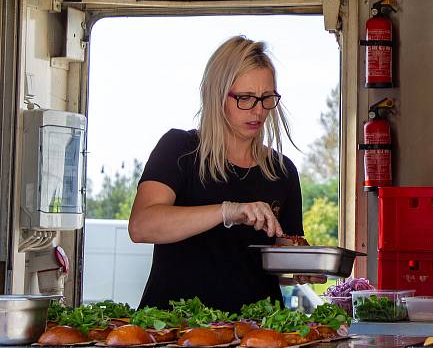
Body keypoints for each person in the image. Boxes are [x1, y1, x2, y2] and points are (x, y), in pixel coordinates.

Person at [128, 35, 306, 313]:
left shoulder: (282, 171)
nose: (258, 111)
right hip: (175, 332)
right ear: (217, 95)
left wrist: (303, 265)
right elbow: (141, 226)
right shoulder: (179, 149)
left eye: (267, 98)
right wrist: (227, 211)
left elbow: (281, 266)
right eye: (245, 98)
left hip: (256, 336)